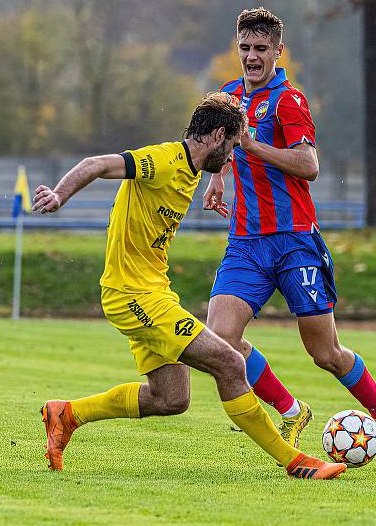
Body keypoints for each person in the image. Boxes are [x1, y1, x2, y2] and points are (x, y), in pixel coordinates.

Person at [33, 93, 345, 480]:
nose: (232, 158)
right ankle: (296, 462)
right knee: (230, 362)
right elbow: (96, 163)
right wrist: (59, 195)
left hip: (153, 292)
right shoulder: (163, 160)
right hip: (132, 295)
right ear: (217, 135)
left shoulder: (192, 171)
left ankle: (67, 415)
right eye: (232, 147)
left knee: (171, 398)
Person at [202, 7, 376, 470]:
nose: (252, 57)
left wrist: (255, 147)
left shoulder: (288, 101)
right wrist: (217, 176)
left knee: (325, 353)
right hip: (246, 243)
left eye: (261, 49)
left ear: (277, 51)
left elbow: (309, 165)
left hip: (295, 242)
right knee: (221, 336)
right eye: (245, 48)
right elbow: (220, 150)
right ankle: (291, 411)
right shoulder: (229, 97)